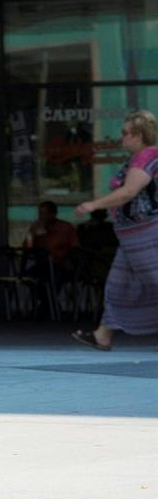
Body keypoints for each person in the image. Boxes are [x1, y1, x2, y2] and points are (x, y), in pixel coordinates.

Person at [71, 110, 158, 349]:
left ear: (138, 135)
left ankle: (104, 334)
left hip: (146, 235)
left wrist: (93, 205)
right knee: (118, 285)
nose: (122, 137)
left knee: (154, 281)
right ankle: (103, 335)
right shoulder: (140, 158)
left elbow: (129, 192)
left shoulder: (146, 157)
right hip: (132, 237)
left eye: (125, 132)